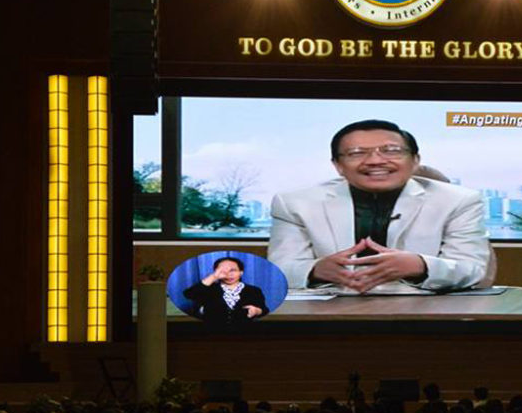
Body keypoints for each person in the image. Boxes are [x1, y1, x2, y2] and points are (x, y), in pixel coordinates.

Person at [268, 119, 490, 292]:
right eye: (357, 153)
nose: (375, 161)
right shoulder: (295, 204)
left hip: (425, 313)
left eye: (391, 151)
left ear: (415, 161)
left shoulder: (458, 200)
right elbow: (279, 272)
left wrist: (420, 266)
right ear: (338, 166)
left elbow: (472, 270)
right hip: (330, 314)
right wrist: (315, 270)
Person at [183, 257, 266, 323]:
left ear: (241, 272)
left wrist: (257, 311)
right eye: (223, 271)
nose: (228, 274)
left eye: (233, 270)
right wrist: (214, 277)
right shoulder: (209, 288)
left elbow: (264, 310)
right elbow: (189, 294)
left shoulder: (254, 290)